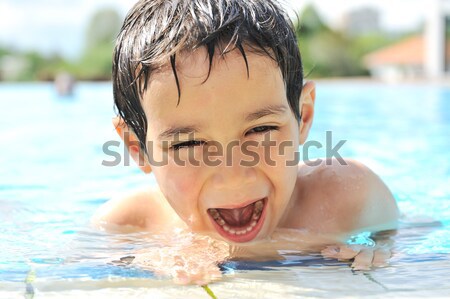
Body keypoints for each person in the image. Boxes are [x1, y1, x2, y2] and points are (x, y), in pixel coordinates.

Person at [93, 0, 399, 284]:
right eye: (187, 145)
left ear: (303, 117)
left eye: (261, 129)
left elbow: (406, 237)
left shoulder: (348, 197)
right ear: (138, 149)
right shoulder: (129, 227)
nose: (233, 175)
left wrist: (379, 247)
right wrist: (146, 262)